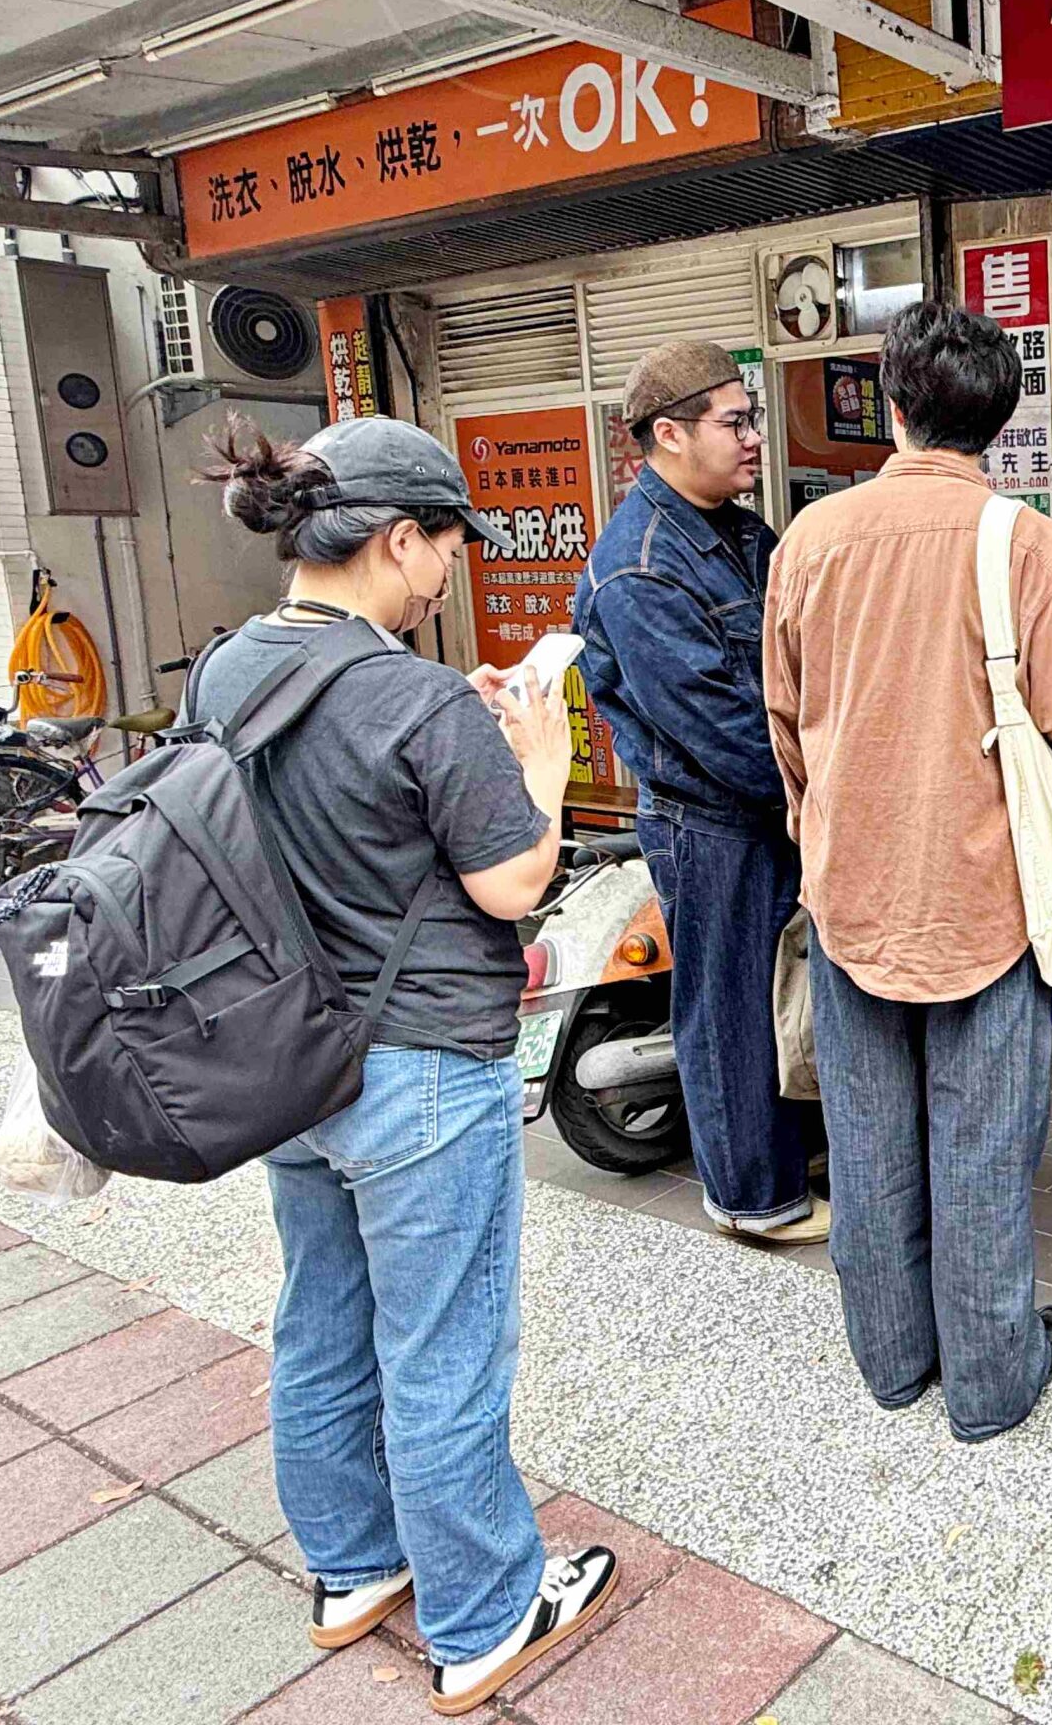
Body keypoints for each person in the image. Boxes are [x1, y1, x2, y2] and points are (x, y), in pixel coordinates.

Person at [196, 418, 615, 1717]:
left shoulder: (227, 668)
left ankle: (352, 1568)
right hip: (419, 1072)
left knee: (322, 1321)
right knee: (441, 1352)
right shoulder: (417, 698)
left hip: (285, 1060)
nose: (447, 575)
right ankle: (485, 1617)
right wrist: (538, 767)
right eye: (443, 546)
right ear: (394, 538)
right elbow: (513, 882)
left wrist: (463, 740)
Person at [763, 301, 1052, 1442]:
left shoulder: (811, 539)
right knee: (983, 1152)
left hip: (850, 893)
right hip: (985, 897)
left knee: (867, 1148)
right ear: (998, 421)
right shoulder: (1026, 544)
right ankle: (990, 1383)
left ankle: (891, 1361)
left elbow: (784, 719)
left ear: (894, 405)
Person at [574, 341, 826, 1245]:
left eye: (751, 418)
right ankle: (755, 1199)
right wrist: (818, 797)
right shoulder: (642, 565)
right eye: (735, 422)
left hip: (770, 811)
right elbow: (719, 730)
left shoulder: (740, 533)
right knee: (728, 1012)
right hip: (712, 823)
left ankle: (787, 1158)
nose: (754, 437)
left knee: (777, 993)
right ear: (670, 435)